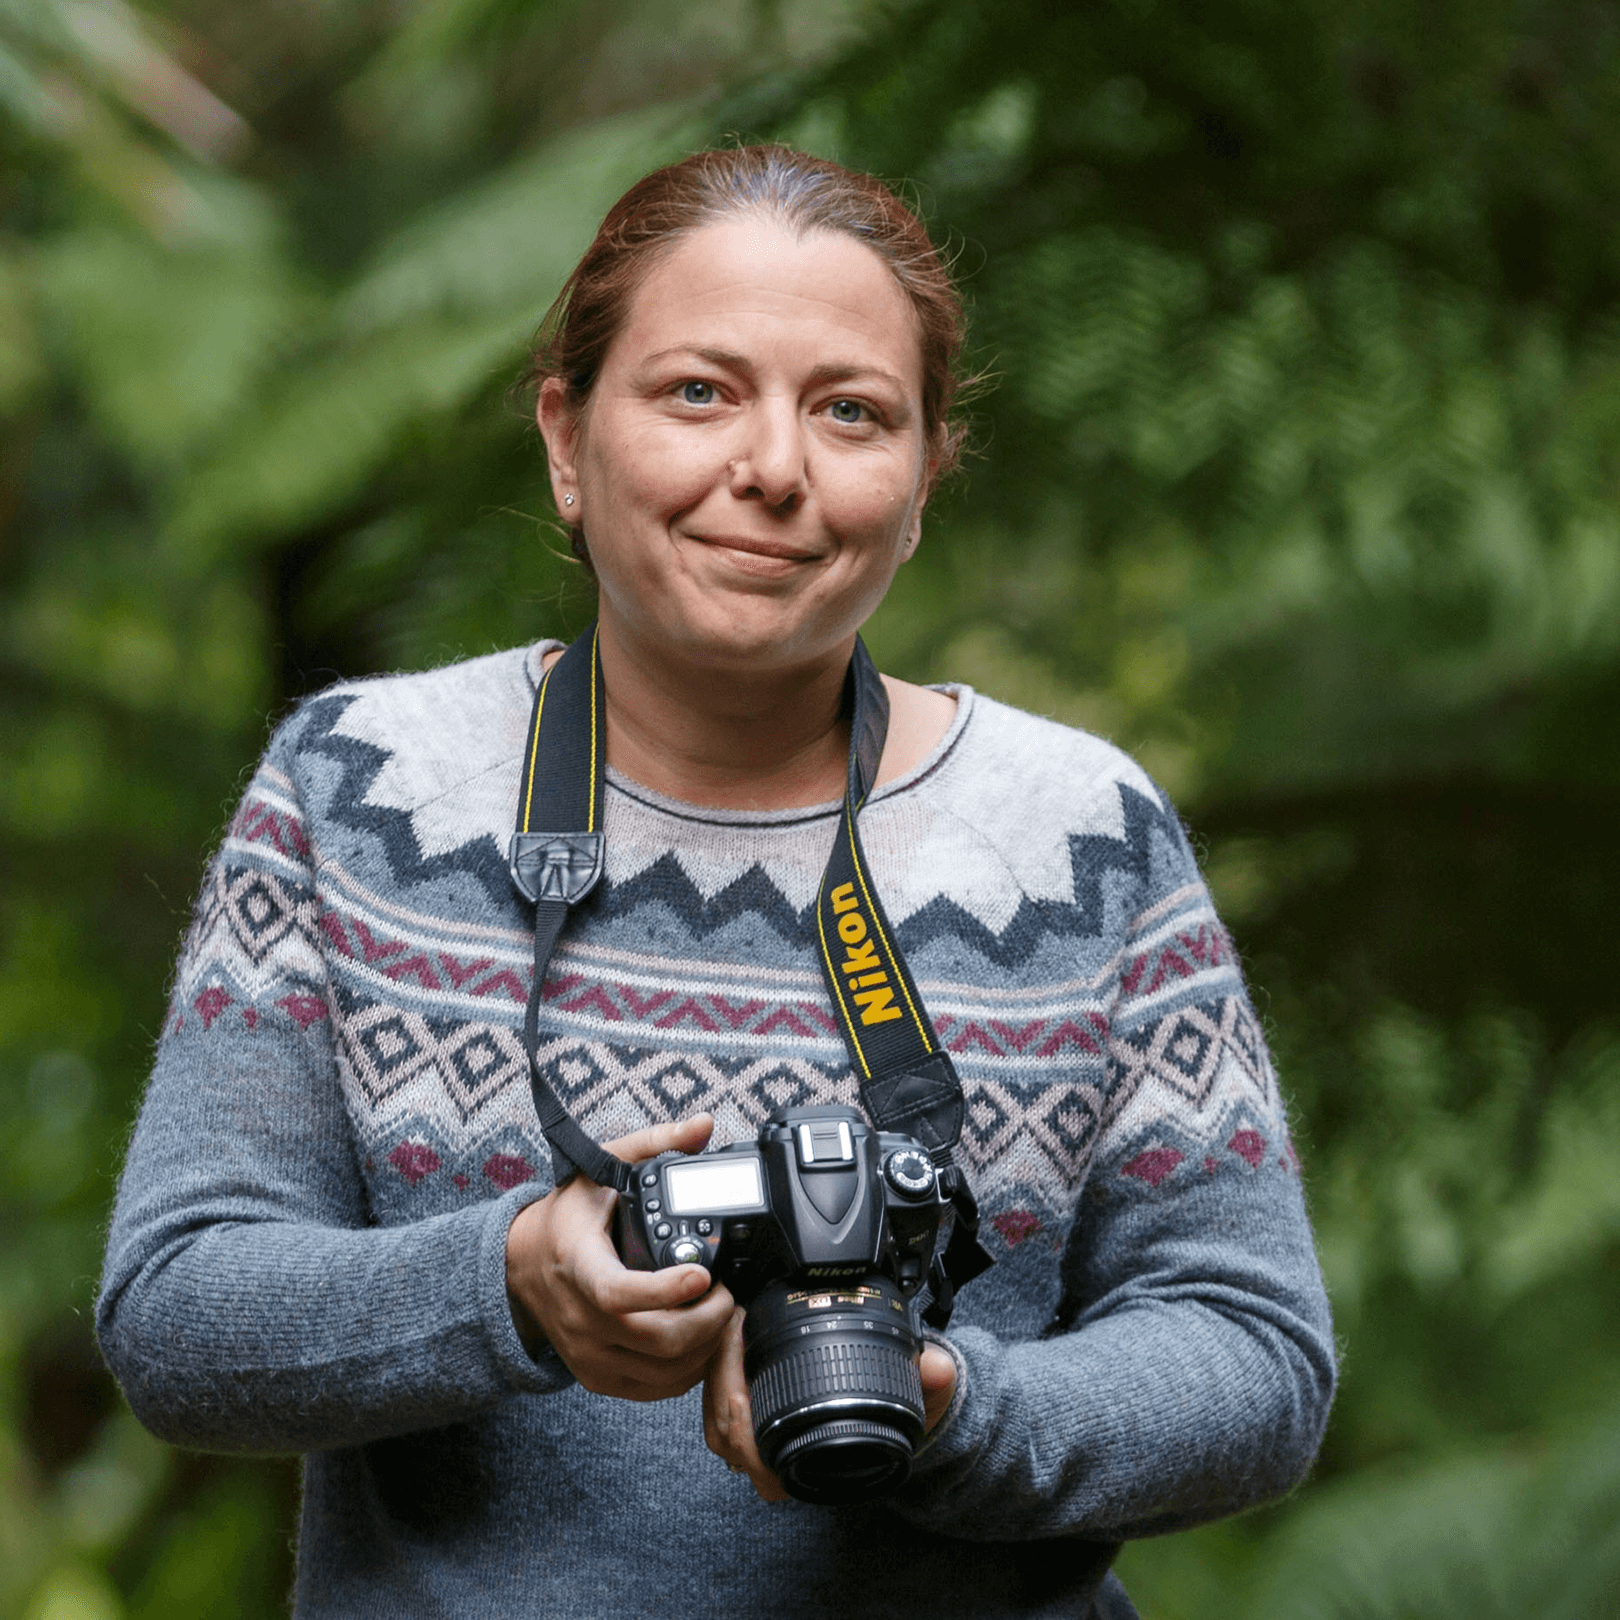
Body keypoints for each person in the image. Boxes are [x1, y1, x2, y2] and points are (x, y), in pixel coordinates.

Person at [97, 145, 1335, 1619]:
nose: (775, 468)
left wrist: (947, 1405)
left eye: (852, 412)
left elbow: (1255, 1358)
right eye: (699, 392)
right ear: (567, 440)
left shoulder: (1076, 837)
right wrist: (509, 1283)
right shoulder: (364, 788)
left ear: (923, 482)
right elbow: (176, 1312)